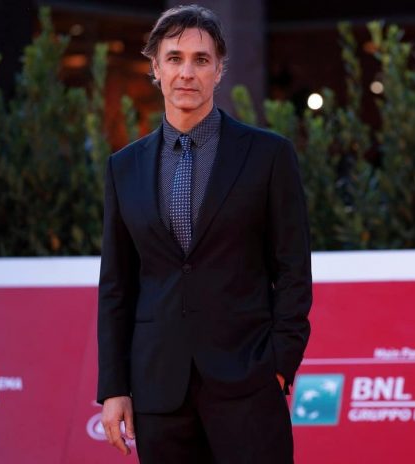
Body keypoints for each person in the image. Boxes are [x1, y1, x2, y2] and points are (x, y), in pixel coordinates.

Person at [96, 4, 312, 464]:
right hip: (158, 390)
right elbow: (117, 286)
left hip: (248, 383)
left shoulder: (268, 155)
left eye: (201, 59)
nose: (187, 72)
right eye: (174, 58)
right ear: (155, 68)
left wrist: (279, 363)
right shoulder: (123, 167)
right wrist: (114, 387)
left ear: (219, 69)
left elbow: (293, 269)